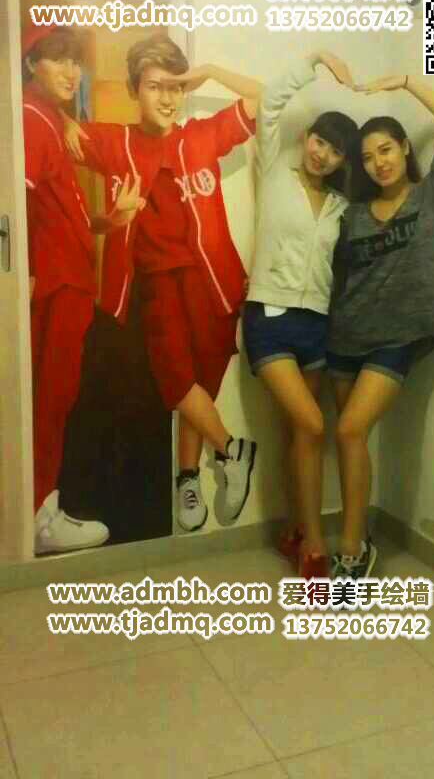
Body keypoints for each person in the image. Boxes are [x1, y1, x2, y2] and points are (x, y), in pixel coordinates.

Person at [64, 33, 261, 532]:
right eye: (155, 86)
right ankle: (232, 451)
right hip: (156, 283)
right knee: (174, 377)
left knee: (200, 386)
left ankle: (188, 477)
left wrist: (210, 70)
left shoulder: (201, 136)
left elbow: (265, 98)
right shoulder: (116, 142)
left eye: (175, 87)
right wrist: (62, 117)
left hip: (215, 282)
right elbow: (46, 132)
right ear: (135, 90)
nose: (168, 98)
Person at [327, 74, 434, 580]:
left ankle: (351, 550)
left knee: (349, 429)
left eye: (386, 150)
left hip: (399, 337)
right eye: (368, 157)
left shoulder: (431, 195)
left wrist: (408, 81)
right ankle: (360, 535)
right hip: (345, 334)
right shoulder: (353, 214)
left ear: (405, 147)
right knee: (350, 440)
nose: (379, 163)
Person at [22, 22, 139, 554]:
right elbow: (15, 203)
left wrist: (108, 222)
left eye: (76, 61)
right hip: (52, 284)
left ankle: (40, 508)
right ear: (31, 64)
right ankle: (37, 519)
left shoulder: (48, 117)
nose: (72, 71)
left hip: (66, 279)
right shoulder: (30, 118)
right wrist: (23, 274)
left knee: (56, 396)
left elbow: (57, 210)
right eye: (58, 59)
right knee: (49, 399)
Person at [242, 52, 358, 579]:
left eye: (334, 151)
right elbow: (268, 103)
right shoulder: (274, 172)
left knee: (300, 433)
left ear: (341, 161)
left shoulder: (340, 206)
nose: (322, 154)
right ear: (306, 137)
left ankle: (293, 528)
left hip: (317, 325)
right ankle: (313, 545)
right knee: (313, 425)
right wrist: (314, 60)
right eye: (319, 141)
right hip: (269, 318)